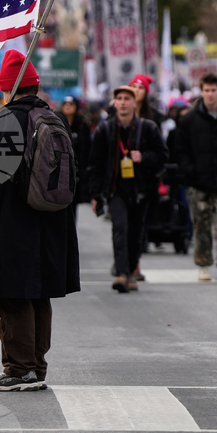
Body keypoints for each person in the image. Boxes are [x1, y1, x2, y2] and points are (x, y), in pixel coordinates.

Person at [0, 49, 80, 391]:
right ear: (35, 85)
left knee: (11, 292)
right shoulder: (55, 118)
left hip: (12, 222)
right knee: (38, 293)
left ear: (7, 88)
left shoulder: (3, 121)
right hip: (51, 221)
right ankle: (36, 366)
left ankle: (18, 368)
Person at [86, 83, 169, 293]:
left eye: (127, 99)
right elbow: (95, 164)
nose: (123, 103)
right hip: (115, 190)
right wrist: (95, 194)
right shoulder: (105, 129)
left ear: (134, 103)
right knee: (120, 228)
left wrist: (144, 157)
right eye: (119, 99)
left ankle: (132, 270)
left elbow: (162, 157)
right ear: (115, 103)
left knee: (136, 231)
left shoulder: (147, 128)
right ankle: (122, 273)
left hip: (141, 190)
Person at [175, 73, 217, 281]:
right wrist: (190, 170)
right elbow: (180, 148)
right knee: (201, 225)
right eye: (206, 90)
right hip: (198, 182)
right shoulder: (189, 119)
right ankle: (203, 264)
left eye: (213, 90)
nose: (210, 94)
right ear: (201, 91)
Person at [57, 95, 92, 218]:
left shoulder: (82, 125)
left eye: (71, 104)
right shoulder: (55, 123)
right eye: (65, 104)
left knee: (73, 206)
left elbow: (87, 150)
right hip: (59, 170)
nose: (67, 107)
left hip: (76, 172)